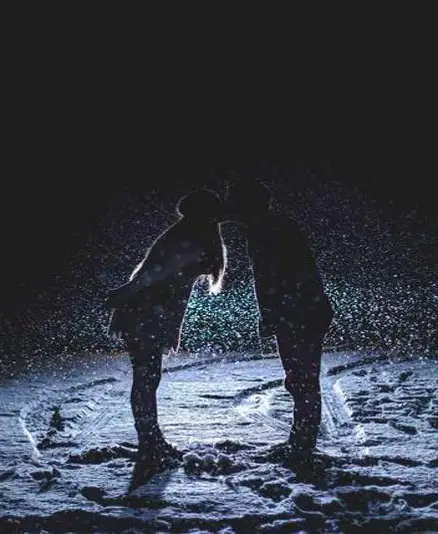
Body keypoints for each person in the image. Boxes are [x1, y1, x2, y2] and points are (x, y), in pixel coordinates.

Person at [105, 188, 227, 469]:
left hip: (151, 311)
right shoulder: (190, 236)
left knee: (147, 378)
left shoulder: (191, 233)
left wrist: (128, 293)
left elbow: (157, 273)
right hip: (148, 312)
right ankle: (150, 442)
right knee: (147, 379)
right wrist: (125, 292)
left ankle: (150, 441)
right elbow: (155, 273)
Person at [224, 178, 333, 458]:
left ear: (246, 205)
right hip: (302, 311)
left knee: (302, 380)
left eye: (233, 203)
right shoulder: (269, 226)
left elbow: (279, 277)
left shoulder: (269, 230)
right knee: (301, 379)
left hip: (299, 313)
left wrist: (275, 315)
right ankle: (301, 441)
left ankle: (302, 445)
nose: (229, 208)